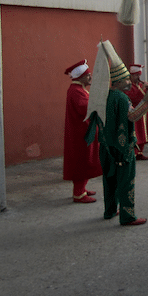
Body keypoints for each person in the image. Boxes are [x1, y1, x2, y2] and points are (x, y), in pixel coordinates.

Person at [100, 61, 148, 226]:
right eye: (126, 79)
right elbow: (133, 116)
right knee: (126, 181)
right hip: (122, 147)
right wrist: (146, 100)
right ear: (118, 82)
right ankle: (127, 216)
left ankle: (110, 210)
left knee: (109, 180)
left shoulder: (105, 95)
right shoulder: (122, 98)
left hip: (106, 145)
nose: (129, 81)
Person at [63, 60, 102, 203]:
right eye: (88, 75)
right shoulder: (76, 91)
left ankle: (82, 189)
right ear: (81, 77)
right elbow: (86, 108)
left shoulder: (78, 89)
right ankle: (78, 193)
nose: (90, 77)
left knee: (86, 160)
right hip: (80, 134)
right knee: (81, 161)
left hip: (84, 131)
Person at [125, 64, 148, 160]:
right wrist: (142, 89)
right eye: (136, 75)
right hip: (135, 112)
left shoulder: (141, 85)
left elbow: (146, 97)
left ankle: (140, 152)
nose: (138, 77)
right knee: (136, 133)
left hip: (144, 112)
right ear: (131, 75)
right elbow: (133, 97)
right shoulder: (129, 86)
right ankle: (134, 152)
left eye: (139, 75)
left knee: (143, 133)